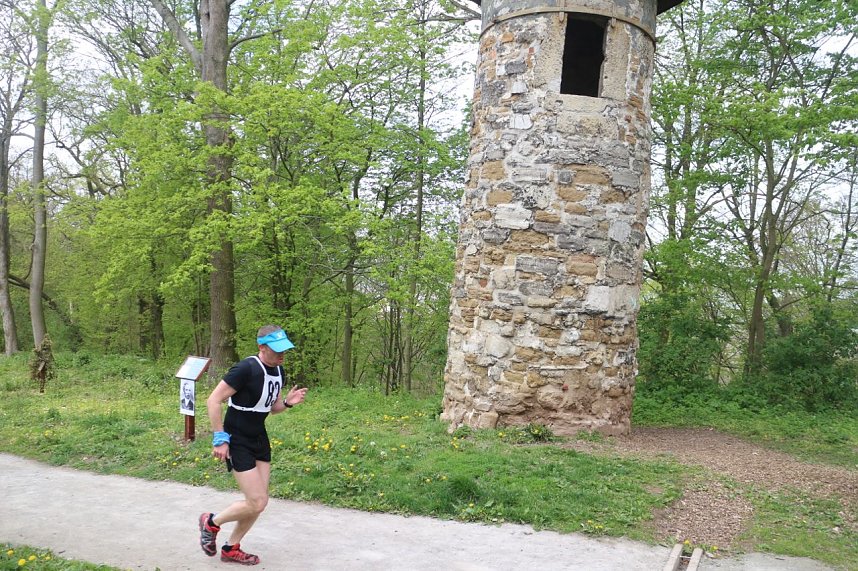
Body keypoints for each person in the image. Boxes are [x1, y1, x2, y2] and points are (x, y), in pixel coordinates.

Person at [198, 325, 308, 565]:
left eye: (285, 350)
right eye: (277, 350)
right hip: (237, 439)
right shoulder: (245, 368)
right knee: (257, 501)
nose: (282, 355)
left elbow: (272, 408)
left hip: (259, 437)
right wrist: (220, 437)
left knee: (258, 503)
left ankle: (231, 547)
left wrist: (288, 403)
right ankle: (211, 522)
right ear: (261, 347)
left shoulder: (279, 371)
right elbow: (213, 400)